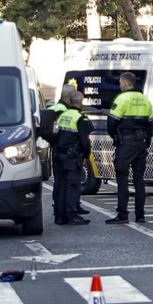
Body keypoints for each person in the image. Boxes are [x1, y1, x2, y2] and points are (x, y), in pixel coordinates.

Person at [105, 71, 153, 224]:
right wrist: (146, 143)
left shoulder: (122, 99)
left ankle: (122, 214)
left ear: (125, 84)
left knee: (122, 177)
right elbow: (150, 125)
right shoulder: (145, 100)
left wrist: (115, 137)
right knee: (139, 180)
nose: (120, 85)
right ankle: (140, 215)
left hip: (125, 143)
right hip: (141, 143)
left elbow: (111, 122)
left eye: (120, 83)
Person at [46, 89, 91, 226]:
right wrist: (86, 155)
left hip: (59, 155)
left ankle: (60, 216)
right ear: (81, 103)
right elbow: (84, 141)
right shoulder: (80, 118)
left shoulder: (63, 115)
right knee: (72, 185)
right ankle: (72, 215)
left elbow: (56, 135)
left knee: (61, 185)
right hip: (72, 157)